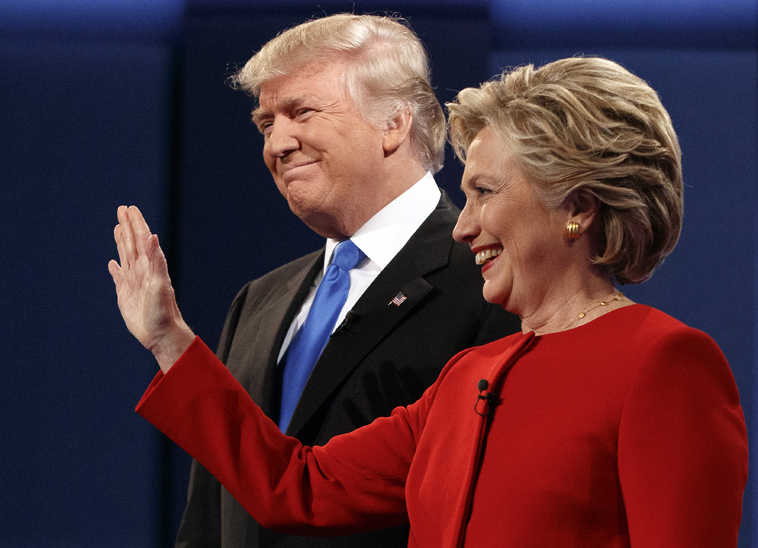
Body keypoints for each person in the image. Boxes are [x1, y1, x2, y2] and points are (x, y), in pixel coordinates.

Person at [111, 57, 748, 546]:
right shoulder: (467, 377)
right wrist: (170, 340)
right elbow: (298, 486)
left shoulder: (664, 365)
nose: (464, 226)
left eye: (485, 192)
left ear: (576, 208)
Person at [113, 13, 519, 548]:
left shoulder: (491, 281)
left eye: (301, 112)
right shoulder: (259, 301)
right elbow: (212, 518)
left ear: (393, 124)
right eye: (265, 123)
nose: (277, 143)